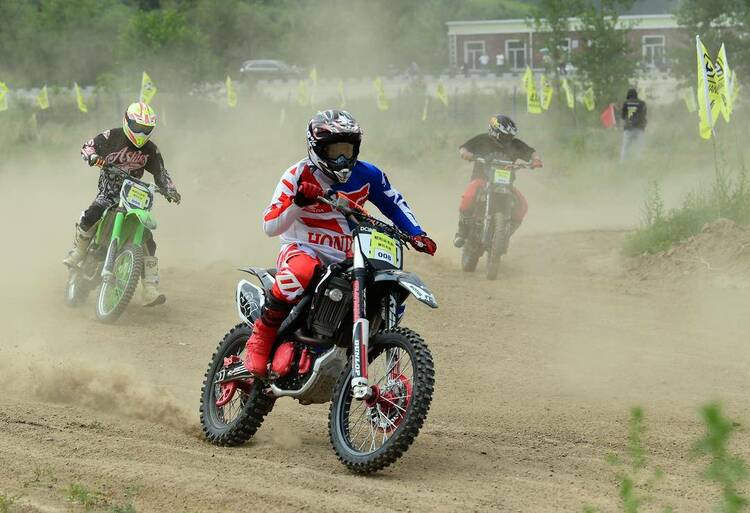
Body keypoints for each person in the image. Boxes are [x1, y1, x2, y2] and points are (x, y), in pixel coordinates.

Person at [244, 109, 437, 377]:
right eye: (334, 151)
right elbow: (270, 226)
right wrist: (298, 202)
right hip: (302, 248)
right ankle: (261, 338)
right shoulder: (296, 174)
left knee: (380, 286)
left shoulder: (369, 174)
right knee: (300, 272)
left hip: (349, 253)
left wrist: (417, 233)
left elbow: (393, 203)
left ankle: (370, 355)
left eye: (347, 149)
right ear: (317, 148)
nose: (342, 158)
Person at [64, 101, 181, 306]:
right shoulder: (112, 136)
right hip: (109, 192)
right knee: (93, 212)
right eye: (137, 127)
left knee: (148, 239)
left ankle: (150, 288)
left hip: (136, 197)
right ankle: (79, 252)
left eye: (146, 129)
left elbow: (161, 173)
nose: (141, 132)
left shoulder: (151, 150)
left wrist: (170, 189)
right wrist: (93, 157)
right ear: (127, 121)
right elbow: (88, 146)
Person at [453, 115, 542, 248]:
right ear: (495, 131)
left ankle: (504, 234)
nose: (509, 139)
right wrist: (466, 154)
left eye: (510, 136)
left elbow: (531, 152)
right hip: (481, 180)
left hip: (506, 184)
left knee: (522, 205)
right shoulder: (482, 140)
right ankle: (462, 232)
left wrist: (536, 160)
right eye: (506, 136)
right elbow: (464, 148)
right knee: (468, 197)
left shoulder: (515, 144)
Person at [620, 88, 647, 162]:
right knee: (640, 148)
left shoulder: (626, 103)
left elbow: (622, 116)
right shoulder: (642, 103)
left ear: (628, 95)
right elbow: (644, 115)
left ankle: (622, 164)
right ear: (636, 95)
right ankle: (640, 164)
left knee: (625, 148)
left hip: (628, 129)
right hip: (639, 128)